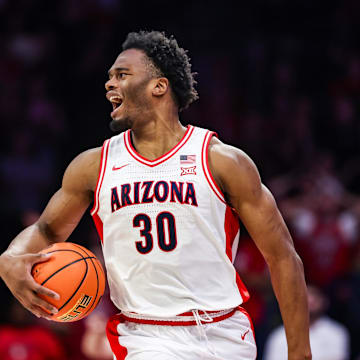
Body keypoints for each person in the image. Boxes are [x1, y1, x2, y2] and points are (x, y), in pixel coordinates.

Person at [0, 30, 311, 360]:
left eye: (122, 75)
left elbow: (283, 258)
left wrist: (300, 354)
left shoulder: (221, 160)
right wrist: (10, 257)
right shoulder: (93, 166)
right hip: (146, 336)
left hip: (225, 334)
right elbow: (46, 231)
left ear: (159, 86)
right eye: (109, 77)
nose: (109, 85)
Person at [263, 285, 350, 360]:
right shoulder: (279, 335)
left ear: (324, 301)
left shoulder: (336, 332)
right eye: (303, 297)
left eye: (314, 296)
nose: (309, 300)